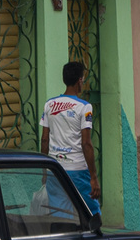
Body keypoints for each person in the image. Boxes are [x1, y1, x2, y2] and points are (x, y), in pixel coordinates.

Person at [40, 61, 99, 216]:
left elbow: (44, 140)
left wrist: (45, 170)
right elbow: (86, 143)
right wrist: (93, 177)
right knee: (90, 213)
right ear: (79, 80)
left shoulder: (49, 104)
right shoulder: (84, 107)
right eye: (83, 79)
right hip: (77, 171)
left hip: (55, 169)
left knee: (60, 215)